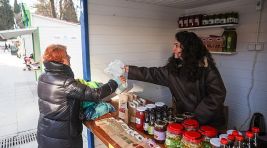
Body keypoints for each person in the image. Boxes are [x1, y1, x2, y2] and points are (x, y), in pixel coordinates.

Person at [124, 31, 226, 129]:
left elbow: (217, 95)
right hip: (184, 119)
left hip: (207, 123)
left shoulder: (206, 68)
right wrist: (129, 70)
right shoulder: (174, 67)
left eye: (177, 45)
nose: (173, 49)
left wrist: (196, 117)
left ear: (188, 48)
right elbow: (153, 74)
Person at [37, 44, 120, 148]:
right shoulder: (66, 82)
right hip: (64, 139)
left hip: (45, 132)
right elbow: (95, 94)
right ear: (61, 61)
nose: (70, 57)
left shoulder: (42, 77)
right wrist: (115, 82)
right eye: (67, 56)